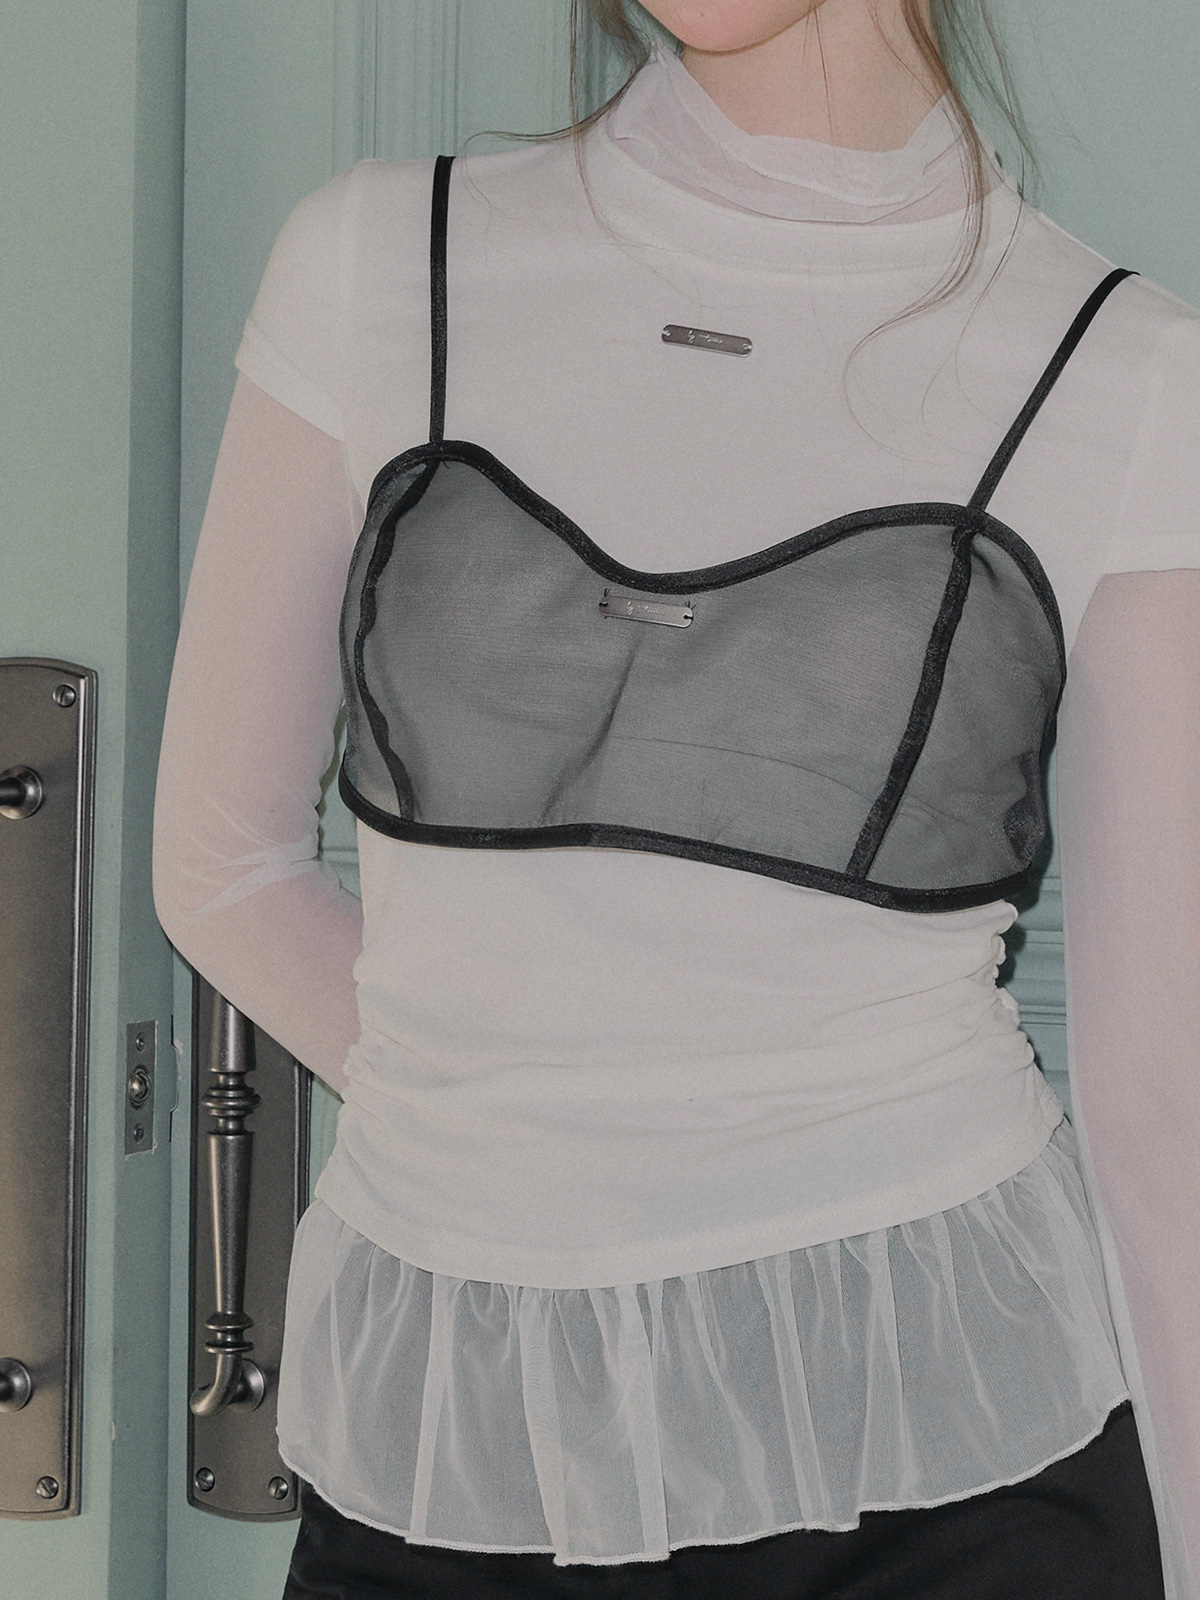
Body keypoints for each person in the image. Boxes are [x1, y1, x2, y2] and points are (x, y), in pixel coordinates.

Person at [153, 2, 1199, 1595]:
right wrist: (542, 1148)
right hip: (459, 1454)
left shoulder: (1118, 370)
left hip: (951, 1454)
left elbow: (1159, 1103)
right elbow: (216, 867)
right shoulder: (382, 261)